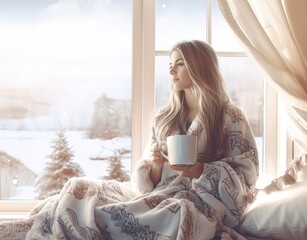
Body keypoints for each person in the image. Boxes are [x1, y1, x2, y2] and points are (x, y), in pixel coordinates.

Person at [0, 40, 258, 240]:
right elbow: (145, 182)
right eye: (170, 63)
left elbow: (246, 175)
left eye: (179, 63)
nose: (171, 68)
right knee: (82, 189)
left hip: (197, 202)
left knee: (173, 213)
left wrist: (200, 170)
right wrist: (156, 165)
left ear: (200, 66)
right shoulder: (164, 117)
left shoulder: (230, 116)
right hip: (157, 193)